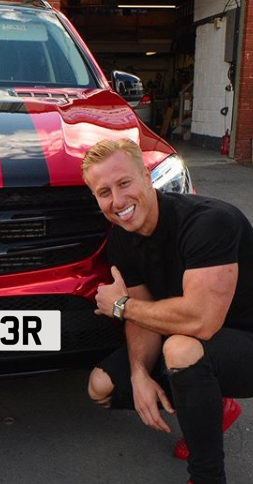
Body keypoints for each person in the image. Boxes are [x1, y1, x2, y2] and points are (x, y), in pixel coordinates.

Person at [81, 138, 253, 484]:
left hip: (244, 341)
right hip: (193, 338)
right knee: (101, 387)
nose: (118, 201)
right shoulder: (121, 239)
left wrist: (119, 306)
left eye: (124, 183)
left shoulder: (209, 222)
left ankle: (207, 476)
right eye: (104, 192)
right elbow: (140, 315)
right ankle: (212, 409)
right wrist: (139, 374)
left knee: (181, 348)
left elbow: (201, 321)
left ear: (147, 176)